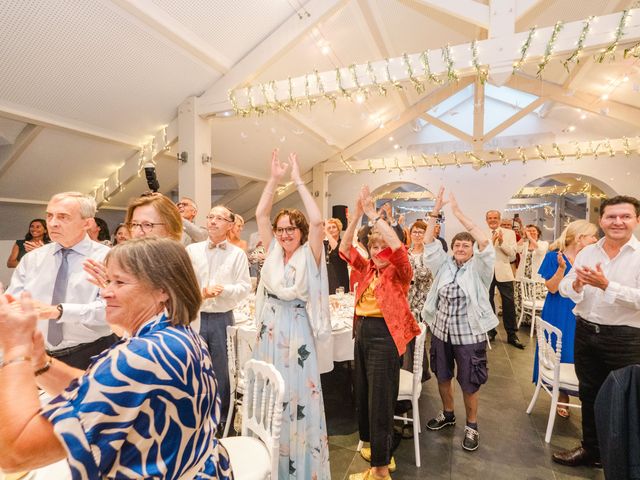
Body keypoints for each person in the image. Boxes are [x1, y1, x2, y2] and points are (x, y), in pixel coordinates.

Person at [0, 238, 233, 479]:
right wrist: (40, 363)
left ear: (163, 290)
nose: (104, 292)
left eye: (119, 282)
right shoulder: (174, 334)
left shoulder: (143, 355)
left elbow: (14, 454)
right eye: (108, 280)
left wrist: (15, 352)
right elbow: (101, 389)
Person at [253, 149, 331, 479]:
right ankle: (271, 465)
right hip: (269, 331)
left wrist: (298, 179)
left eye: (290, 229)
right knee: (272, 395)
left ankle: (300, 469)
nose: (284, 234)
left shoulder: (309, 255)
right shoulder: (272, 251)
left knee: (298, 397)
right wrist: (273, 179)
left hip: (297, 333)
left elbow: (317, 221)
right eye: (280, 229)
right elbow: (259, 213)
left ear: (300, 232)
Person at [552, 195, 640, 468]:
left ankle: (626, 458)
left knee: (626, 399)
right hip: (587, 332)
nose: (617, 222)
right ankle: (592, 450)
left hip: (625, 338)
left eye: (625, 216)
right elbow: (565, 286)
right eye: (611, 217)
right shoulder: (589, 251)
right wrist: (577, 285)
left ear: (637, 220)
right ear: (601, 220)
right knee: (589, 393)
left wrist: (606, 285)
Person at [340, 186, 421, 480]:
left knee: (380, 400)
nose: (378, 252)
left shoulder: (399, 271)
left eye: (382, 248)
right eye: (374, 248)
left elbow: (398, 249)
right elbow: (345, 248)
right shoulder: (368, 269)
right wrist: (356, 215)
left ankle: (380, 470)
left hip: (384, 336)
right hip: (362, 332)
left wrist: (374, 215)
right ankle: (379, 451)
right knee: (363, 394)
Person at [421, 187, 498, 453]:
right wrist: (435, 210)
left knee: (469, 382)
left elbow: (485, 241)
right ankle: (448, 413)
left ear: (473, 250)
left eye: (466, 245)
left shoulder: (480, 269)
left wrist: (457, 212)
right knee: (442, 376)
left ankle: (472, 426)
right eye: (457, 245)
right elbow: (429, 242)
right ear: (451, 249)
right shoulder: (443, 265)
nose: (461, 248)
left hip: (469, 336)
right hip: (441, 333)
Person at [6, 192, 117, 370]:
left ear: (87, 223)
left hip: (91, 352)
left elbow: (111, 309)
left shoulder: (108, 258)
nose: (52, 223)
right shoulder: (32, 259)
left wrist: (58, 311)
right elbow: (15, 301)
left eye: (63, 217)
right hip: (39, 353)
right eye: (49, 215)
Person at [186, 205, 251, 423]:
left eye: (220, 218)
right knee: (193, 366)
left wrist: (224, 290)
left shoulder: (237, 254)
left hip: (223, 318)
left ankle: (222, 417)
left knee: (222, 369)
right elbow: (183, 283)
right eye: (210, 216)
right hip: (195, 316)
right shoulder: (192, 251)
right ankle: (195, 413)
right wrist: (201, 293)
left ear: (230, 225)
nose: (213, 221)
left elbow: (244, 288)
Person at [534, 220, 598, 417]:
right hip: (558, 309)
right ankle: (562, 395)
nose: (596, 240)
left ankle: (585, 393)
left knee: (580, 351)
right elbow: (552, 288)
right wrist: (562, 268)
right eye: (592, 236)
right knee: (559, 349)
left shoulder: (593, 258)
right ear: (580, 238)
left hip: (583, 308)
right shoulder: (554, 256)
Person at [485, 210, 524, 349]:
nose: (493, 220)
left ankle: (512, 335)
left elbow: (512, 254)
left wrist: (501, 243)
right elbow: (479, 252)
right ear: (486, 220)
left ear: (500, 219)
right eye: (490, 218)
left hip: (504, 272)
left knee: (509, 303)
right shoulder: (482, 233)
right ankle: (490, 331)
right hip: (486, 273)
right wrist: (491, 242)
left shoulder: (510, 233)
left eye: (495, 217)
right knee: (487, 303)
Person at [514, 224, 548, 319]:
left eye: (534, 230)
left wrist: (530, 238)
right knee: (521, 300)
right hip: (523, 277)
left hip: (536, 278)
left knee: (536, 301)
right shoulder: (525, 244)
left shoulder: (543, 243)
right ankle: (523, 320)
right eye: (529, 231)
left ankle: (536, 322)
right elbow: (516, 249)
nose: (532, 232)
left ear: (538, 232)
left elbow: (541, 251)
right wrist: (524, 237)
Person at [324, 217, 350, 294]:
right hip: (328, 280)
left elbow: (336, 250)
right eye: (329, 228)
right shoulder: (325, 244)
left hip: (340, 279)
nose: (331, 229)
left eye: (334, 227)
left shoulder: (343, 244)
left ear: (339, 229)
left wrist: (326, 232)